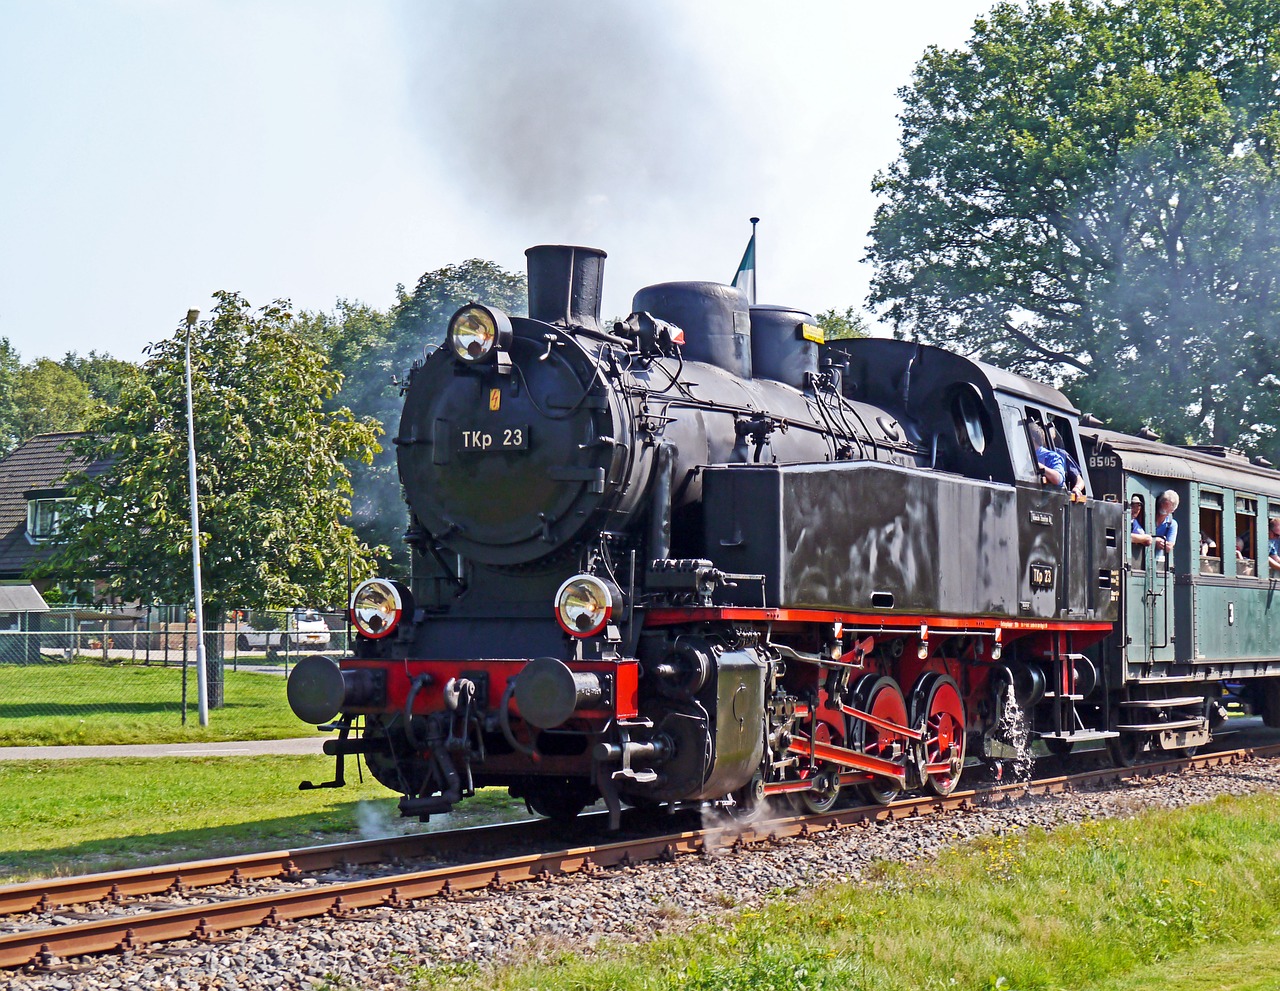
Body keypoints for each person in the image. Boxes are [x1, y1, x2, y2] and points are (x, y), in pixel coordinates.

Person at [1029, 422, 1065, 487]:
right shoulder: (1020, 456)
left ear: (1031, 438)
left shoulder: (1051, 456)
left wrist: (1036, 465)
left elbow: (1058, 479)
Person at [1152, 489, 1179, 564]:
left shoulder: (1172, 524)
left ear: (1172, 510)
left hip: (1158, 563)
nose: (1163, 507)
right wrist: (1154, 541)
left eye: (1167, 505)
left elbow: (1169, 547)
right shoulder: (1147, 517)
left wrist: (1162, 544)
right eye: (1162, 503)